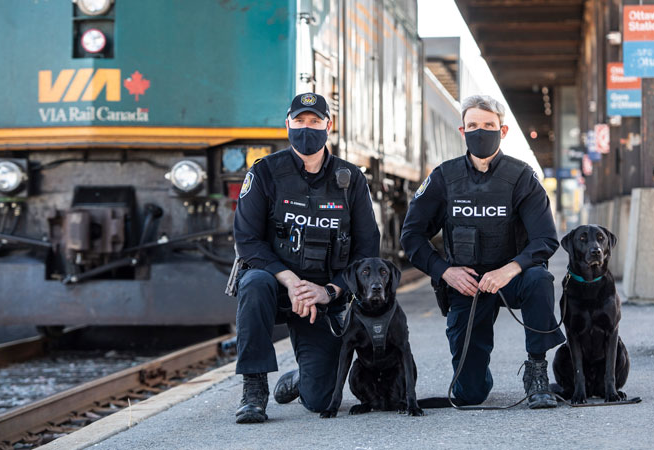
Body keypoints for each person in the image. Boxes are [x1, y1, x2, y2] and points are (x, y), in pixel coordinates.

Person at [400, 94, 564, 409]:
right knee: (469, 394)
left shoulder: (521, 177)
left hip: (511, 279)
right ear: (462, 131)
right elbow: (411, 236)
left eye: (488, 125)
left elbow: (545, 239)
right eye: (473, 125)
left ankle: (537, 371)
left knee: (539, 279)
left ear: (502, 131)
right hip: (468, 284)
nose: (480, 131)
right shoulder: (444, 178)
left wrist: (510, 269)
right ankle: (477, 379)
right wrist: (444, 271)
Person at [232, 92, 380, 423]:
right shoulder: (266, 173)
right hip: (277, 287)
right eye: (299, 121)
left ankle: (301, 379)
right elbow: (248, 240)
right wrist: (292, 281)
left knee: (323, 399)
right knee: (253, 282)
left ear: (329, 125)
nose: (306, 128)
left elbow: (367, 252)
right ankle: (254, 390)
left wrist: (329, 290)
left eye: (314, 121)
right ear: (288, 124)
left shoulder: (350, 179)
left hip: (322, 299)